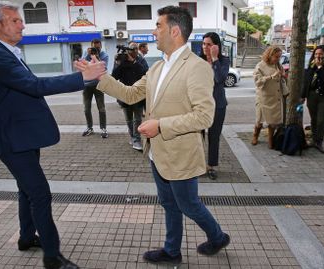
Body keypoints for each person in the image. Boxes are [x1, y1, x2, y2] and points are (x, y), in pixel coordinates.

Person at [81, 5, 230, 266]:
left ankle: (217, 237)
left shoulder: (197, 67)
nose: (154, 31)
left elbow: (205, 116)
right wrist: (101, 77)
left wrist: (160, 125)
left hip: (181, 153)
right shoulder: (157, 67)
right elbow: (129, 94)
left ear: (175, 31)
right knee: (169, 204)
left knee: (189, 205)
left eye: (158, 26)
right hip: (158, 154)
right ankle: (172, 251)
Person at [0, 2, 105, 269]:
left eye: (20, 20)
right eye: (14, 20)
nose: (22, 24)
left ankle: (26, 237)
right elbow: (34, 86)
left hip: (22, 136)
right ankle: (52, 257)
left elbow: (25, 89)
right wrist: (82, 78)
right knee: (40, 194)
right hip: (12, 140)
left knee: (26, 190)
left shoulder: (8, 52)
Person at [199, 32, 230, 180]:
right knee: (197, 136)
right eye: (204, 44)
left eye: (209, 44)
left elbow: (220, 78)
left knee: (214, 136)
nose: (205, 47)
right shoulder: (197, 61)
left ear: (216, 46)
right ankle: (197, 165)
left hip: (218, 105)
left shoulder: (223, 61)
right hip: (199, 105)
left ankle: (211, 166)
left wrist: (215, 59)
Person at [112, 43, 147, 151]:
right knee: (129, 119)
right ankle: (132, 137)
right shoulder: (122, 61)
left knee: (137, 119)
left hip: (138, 95)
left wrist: (134, 62)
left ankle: (136, 139)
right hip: (125, 95)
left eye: (136, 49)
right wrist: (118, 64)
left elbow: (145, 73)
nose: (135, 51)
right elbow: (114, 76)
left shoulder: (140, 60)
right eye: (132, 49)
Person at [253, 46, 285, 149]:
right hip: (264, 97)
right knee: (260, 120)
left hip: (275, 97)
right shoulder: (260, 65)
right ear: (270, 55)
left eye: (279, 57)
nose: (278, 59)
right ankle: (255, 135)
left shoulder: (278, 65)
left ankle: (270, 139)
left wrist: (283, 76)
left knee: (273, 121)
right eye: (276, 57)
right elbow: (257, 82)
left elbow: (281, 80)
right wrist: (270, 77)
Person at [81, 38, 109, 138]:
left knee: (101, 108)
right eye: (94, 47)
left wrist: (97, 58)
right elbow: (82, 66)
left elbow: (103, 69)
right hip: (86, 85)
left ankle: (103, 128)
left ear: (101, 46)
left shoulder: (104, 55)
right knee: (86, 108)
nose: (96, 50)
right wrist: (88, 55)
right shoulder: (86, 53)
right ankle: (89, 127)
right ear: (91, 46)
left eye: (98, 47)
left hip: (98, 85)